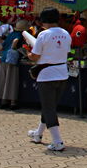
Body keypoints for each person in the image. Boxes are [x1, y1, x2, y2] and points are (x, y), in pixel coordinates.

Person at [26, 8, 72, 151]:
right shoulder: (66, 34)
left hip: (47, 76)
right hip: (62, 74)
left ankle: (57, 141)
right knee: (49, 107)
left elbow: (35, 56)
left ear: (44, 20)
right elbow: (66, 51)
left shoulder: (43, 35)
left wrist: (27, 52)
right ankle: (38, 134)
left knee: (49, 108)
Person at [0, 19, 29, 110]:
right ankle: (12, 102)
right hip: (13, 59)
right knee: (12, 79)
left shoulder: (10, 34)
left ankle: (3, 100)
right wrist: (14, 48)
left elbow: (1, 47)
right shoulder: (20, 35)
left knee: (3, 78)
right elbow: (15, 41)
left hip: (4, 58)